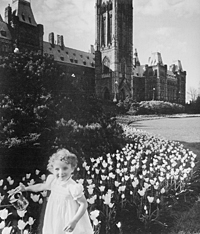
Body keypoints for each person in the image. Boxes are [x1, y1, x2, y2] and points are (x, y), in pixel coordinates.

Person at [14, 148, 94, 234]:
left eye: (65, 168)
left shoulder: (72, 186)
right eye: (57, 169)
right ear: (52, 169)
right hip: (55, 216)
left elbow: (84, 204)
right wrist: (25, 188)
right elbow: (41, 186)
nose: (61, 172)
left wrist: (74, 221)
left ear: (72, 169)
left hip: (69, 217)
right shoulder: (52, 180)